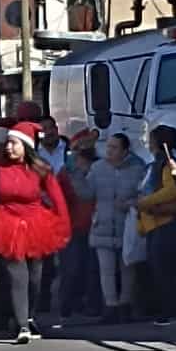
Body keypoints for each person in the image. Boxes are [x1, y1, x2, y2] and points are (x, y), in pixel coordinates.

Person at [0, 121, 70, 344]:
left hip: (36, 224)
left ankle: (30, 316)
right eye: (8, 143)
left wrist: (63, 224)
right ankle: (22, 325)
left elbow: (57, 198)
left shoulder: (41, 168)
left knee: (36, 277)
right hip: (7, 223)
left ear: (26, 145)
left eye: (14, 143)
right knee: (18, 275)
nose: (9, 147)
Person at [78, 132, 146, 323]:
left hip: (127, 225)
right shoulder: (98, 168)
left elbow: (143, 193)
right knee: (106, 269)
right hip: (103, 224)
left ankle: (126, 305)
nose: (109, 151)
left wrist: (131, 203)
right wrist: (79, 175)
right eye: (108, 147)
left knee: (127, 267)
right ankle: (110, 306)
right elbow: (87, 193)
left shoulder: (137, 167)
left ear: (125, 150)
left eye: (114, 147)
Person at [135, 124, 176, 327]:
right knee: (158, 269)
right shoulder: (155, 166)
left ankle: (171, 311)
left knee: (163, 269)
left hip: (166, 223)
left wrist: (145, 203)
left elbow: (172, 191)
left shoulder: (167, 165)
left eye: (151, 139)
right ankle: (167, 308)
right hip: (154, 224)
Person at [51, 130, 99, 329]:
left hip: (94, 225)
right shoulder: (66, 173)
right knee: (71, 268)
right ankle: (67, 307)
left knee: (92, 268)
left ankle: (92, 306)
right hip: (72, 226)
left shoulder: (99, 167)